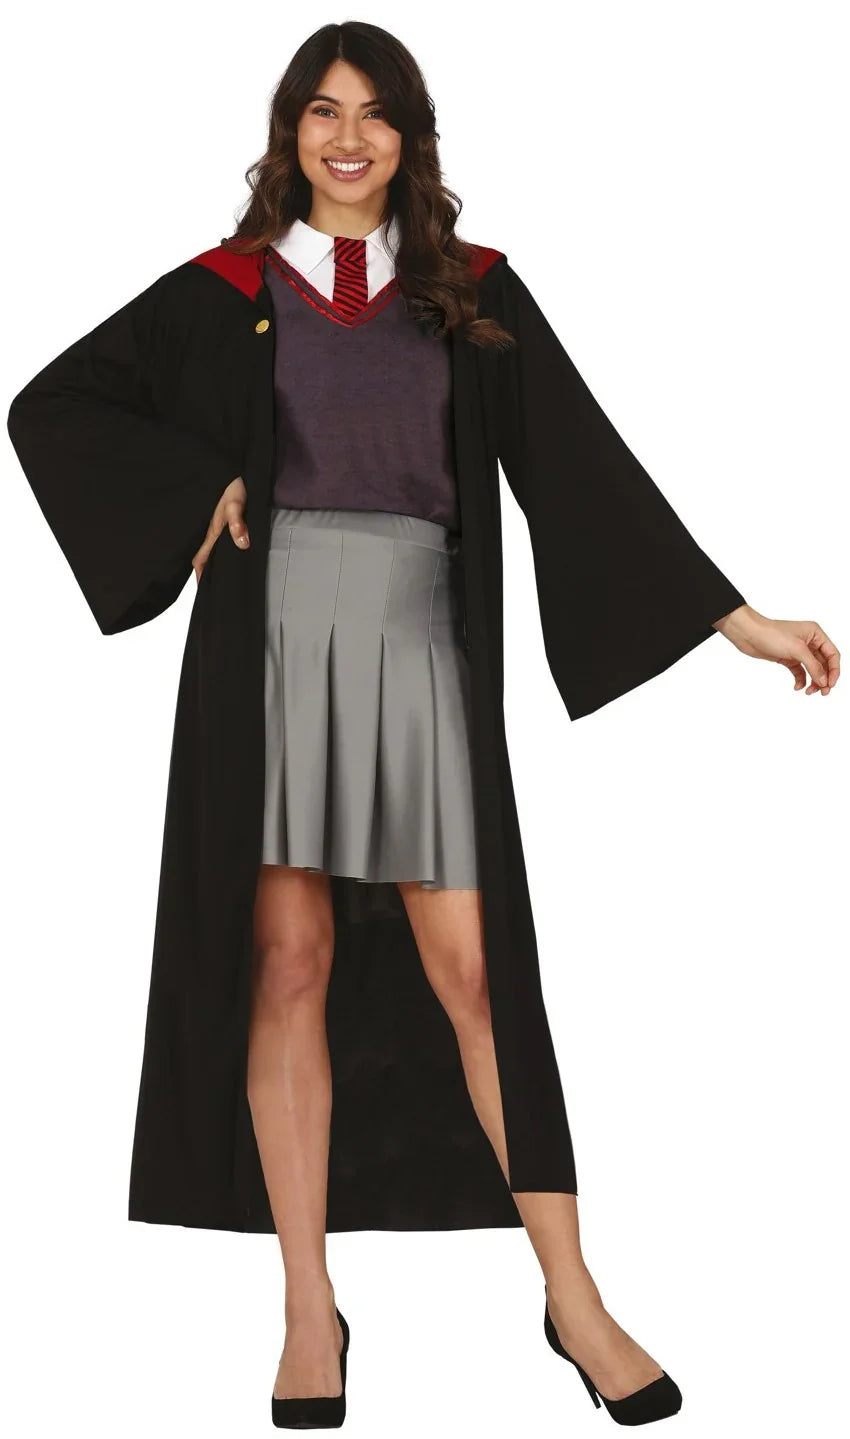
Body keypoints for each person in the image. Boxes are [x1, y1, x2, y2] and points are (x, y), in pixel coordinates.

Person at [6, 20, 840, 1433]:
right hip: (269, 650)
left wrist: (733, 619)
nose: (349, 140)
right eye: (322, 113)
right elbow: (54, 404)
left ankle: (572, 1296)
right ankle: (306, 1306)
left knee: (474, 974)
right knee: (287, 963)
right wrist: (199, 488)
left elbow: (581, 464)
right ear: (289, 133)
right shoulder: (224, 290)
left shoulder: (472, 292)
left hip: (417, 644)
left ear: (410, 137)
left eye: (376, 115)